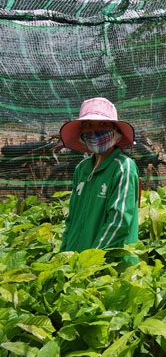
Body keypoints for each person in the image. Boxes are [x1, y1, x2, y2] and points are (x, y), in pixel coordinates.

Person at [59, 97, 139, 255]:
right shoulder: (81, 169)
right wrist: (63, 256)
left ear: (115, 130)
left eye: (103, 124)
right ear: (81, 133)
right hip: (76, 263)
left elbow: (119, 222)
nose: (94, 131)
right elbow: (71, 220)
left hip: (108, 269)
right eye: (88, 125)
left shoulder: (123, 167)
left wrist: (90, 262)